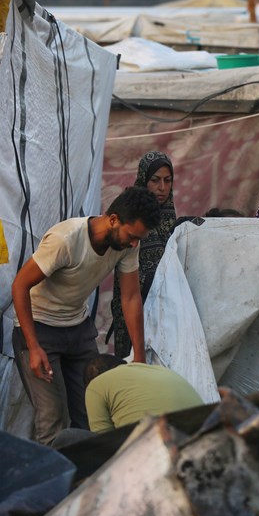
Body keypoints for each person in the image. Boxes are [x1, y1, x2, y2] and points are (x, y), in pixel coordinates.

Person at [12, 187, 161, 445]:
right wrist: (33, 347)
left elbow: (130, 297)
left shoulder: (127, 244)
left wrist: (139, 356)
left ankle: (90, 481)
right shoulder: (66, 239)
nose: (134, 243)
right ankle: (57, 483)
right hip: (40, 329)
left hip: (79, 328)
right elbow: (19, 286)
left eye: (138, 238)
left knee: (93, 412)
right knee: (52, 420)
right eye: (132, 236)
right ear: (113, 219)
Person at [111, 151, 177, 360]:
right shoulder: (129, 216)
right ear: (143, 180)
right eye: (155, 180)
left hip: (165, 310)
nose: (162, 188)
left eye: (167, 181)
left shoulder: (171, 220)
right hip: (132, 304)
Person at [84, 354, 204, 432]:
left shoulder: (95, 385)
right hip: (208, 432)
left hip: (157, 451)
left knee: (71, 436)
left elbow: (103, 441)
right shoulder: (160, 370)